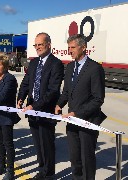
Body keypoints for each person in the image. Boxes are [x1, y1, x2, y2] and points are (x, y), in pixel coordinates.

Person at [55, 34, 106, 180]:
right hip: (72, 122)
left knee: (86, 159)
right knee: (75, 158)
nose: (69, 50)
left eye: (72, 47)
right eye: (68, 47)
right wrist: (59, 104)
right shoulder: (70, 67)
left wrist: (76, 113)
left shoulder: (95, 68)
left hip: (87, 120)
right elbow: (66, 92)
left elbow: (98, 99)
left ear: (83, 48)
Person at [17, 32, 64, 179]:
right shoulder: (33, 62)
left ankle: (48, 174)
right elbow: (25, 83)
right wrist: (20, 98)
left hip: (45, 112)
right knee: (38, 145)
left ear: (48, 45)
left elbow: (52, 91)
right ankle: (42, 170)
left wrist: (35, 106)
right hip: (32, 112)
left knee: (47, 146)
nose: (37, 48)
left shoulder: (56, 64)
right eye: (35, 45)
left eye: (40, 45)